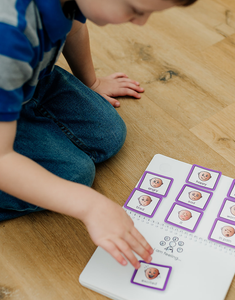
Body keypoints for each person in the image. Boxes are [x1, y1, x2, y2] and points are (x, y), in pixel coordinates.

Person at [0, 0, 196, 269]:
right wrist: (89, 206)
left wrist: (91, 82)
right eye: (136, 9)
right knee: (74, 174)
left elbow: (75, 29)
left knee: (107, 133)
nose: (141, 22)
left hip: (29, 81)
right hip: (10, 89)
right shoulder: (8, 37)